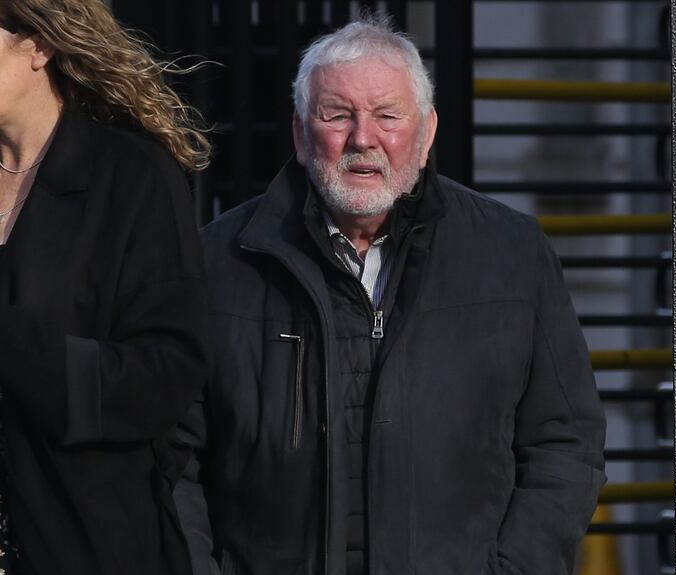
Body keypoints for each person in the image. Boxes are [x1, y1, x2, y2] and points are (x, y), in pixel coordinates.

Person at [174, 15, 606, 575]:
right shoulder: (219, 262)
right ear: (302, 136)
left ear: (425, 135)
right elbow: (173, 459)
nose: (363, 138)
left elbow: (565, 442)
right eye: (337, 115)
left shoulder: (513, 257)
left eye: (387, 116)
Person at [0, 1, 211, 574]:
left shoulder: (132, 177)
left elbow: (167, 373)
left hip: (87, 543)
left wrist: (21, 351)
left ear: (38, 45)